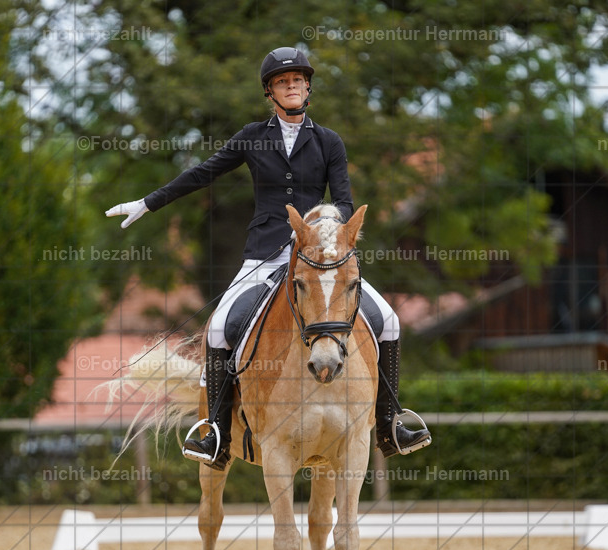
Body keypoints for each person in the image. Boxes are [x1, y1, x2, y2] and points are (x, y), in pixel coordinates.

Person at [106, 47, 430, 470]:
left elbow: (345, 200)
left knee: (388, 320)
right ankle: (216, 433)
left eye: (297, 80)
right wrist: (147, 203)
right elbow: (203, 172)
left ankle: (389, 423)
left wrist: (329, 232)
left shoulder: (329, 141)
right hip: (264, 255)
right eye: (282, 82)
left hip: (318, 260)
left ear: (307, 86)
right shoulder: (251, 136)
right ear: (270, 91)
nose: (291, 87)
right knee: (220, 328)